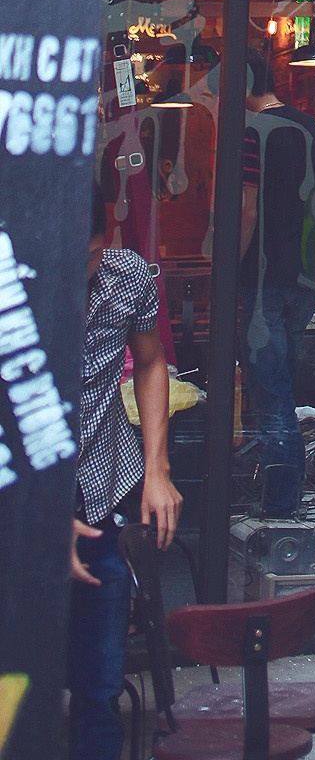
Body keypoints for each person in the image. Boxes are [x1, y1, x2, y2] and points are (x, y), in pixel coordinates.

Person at [69, 189, 183, 760]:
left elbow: (151, 360)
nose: (80, 273)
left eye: (90, 257)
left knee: (100, 690)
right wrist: (37, 515)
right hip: (22, 514)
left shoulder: (126, 277)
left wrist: (156, 469)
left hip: (104, 492)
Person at [239, 46, 315, 517]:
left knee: (271, 396)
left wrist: (228, 267)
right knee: (282, 389)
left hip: (262, 279)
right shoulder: (310, 127)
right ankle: (284, 493)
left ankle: (279, 505)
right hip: (303, 278)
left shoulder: (252, 131)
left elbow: (247, 210)